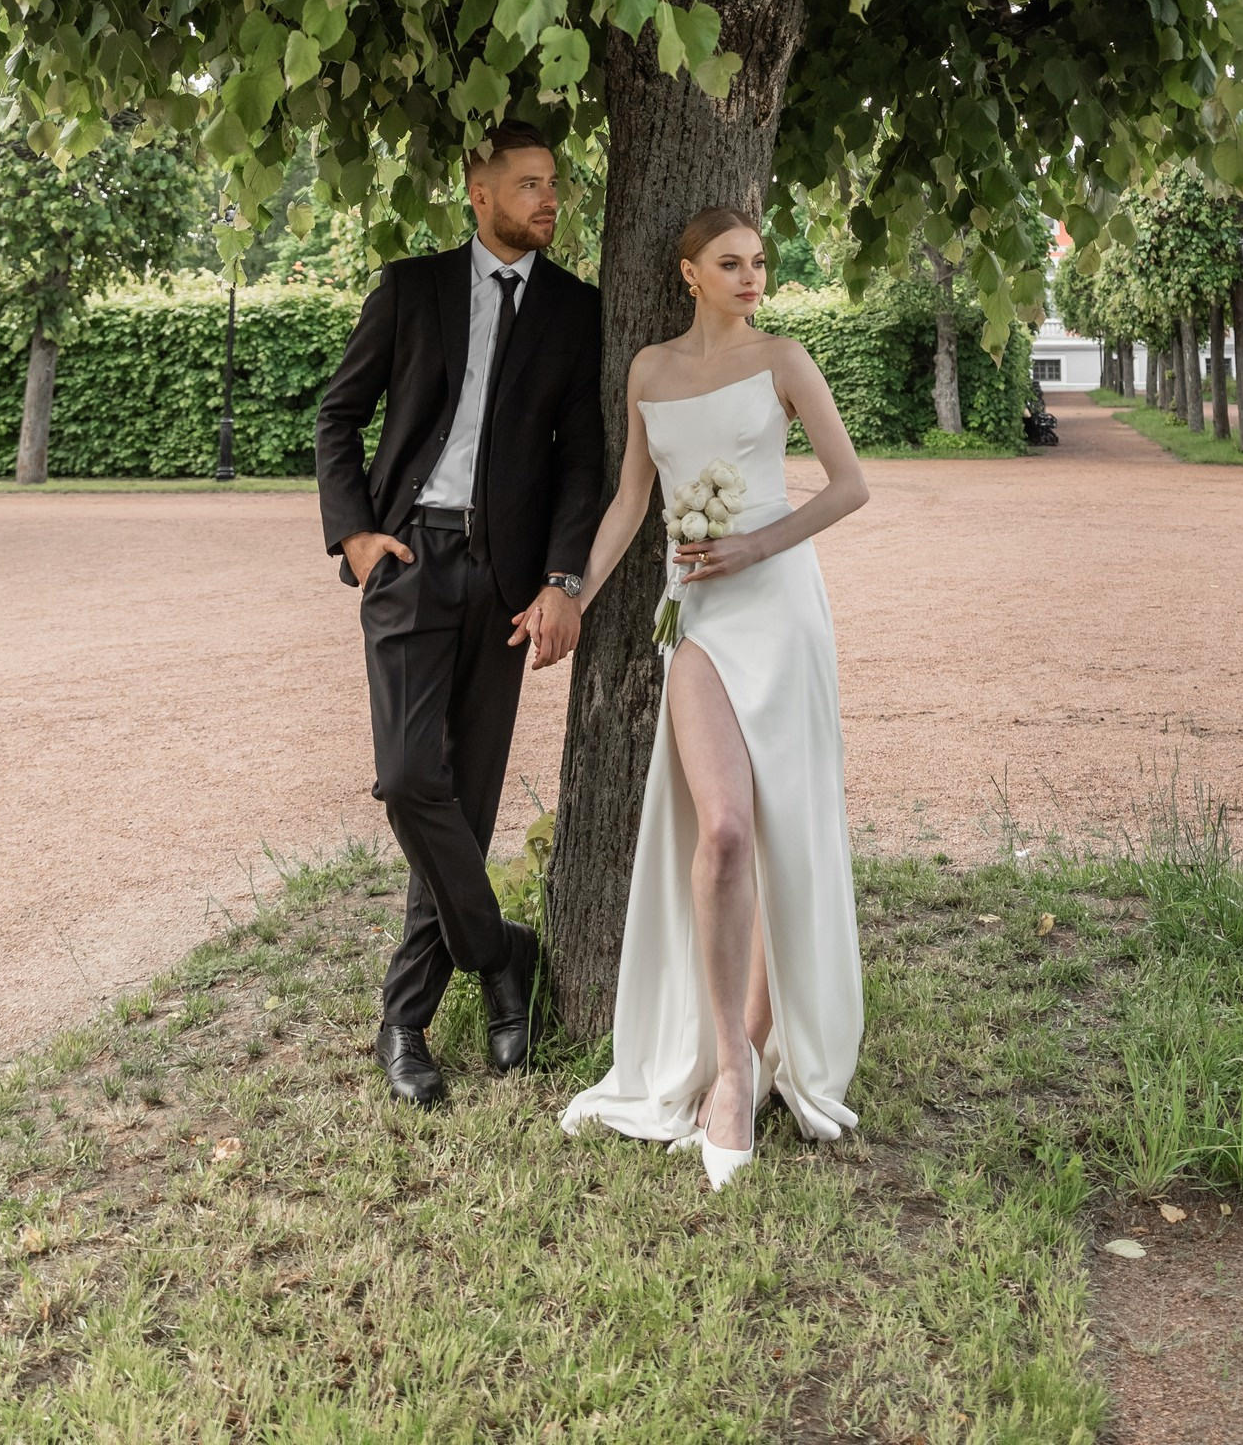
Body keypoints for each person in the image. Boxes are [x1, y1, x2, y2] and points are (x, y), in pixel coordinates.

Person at [560, 205, 867, 1189]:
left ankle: (756, 1058)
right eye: (729, 263)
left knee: (778, 831)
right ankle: (728, 1062)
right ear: (688, 272)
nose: (750, 276)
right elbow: (630, 502)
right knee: (724, 829)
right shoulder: (648, 371)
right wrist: (571, 598)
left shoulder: (783, 360)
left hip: (779, 606)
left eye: (759, 262)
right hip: (692, 615)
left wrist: (753, 545)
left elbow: (848, 486)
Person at [315, 121, 603, 1110]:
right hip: (408, 561)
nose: (548, 199)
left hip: (506, 581)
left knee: (464, 803)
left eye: (552, 183)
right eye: (528, 184)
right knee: (408, 780)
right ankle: (498, 950)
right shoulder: (411, 289)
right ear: (479, 194)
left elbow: (582, 457)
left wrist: (562, 580)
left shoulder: (574, 309)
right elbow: (338, 414)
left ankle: (403, 1023)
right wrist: (355, 534)